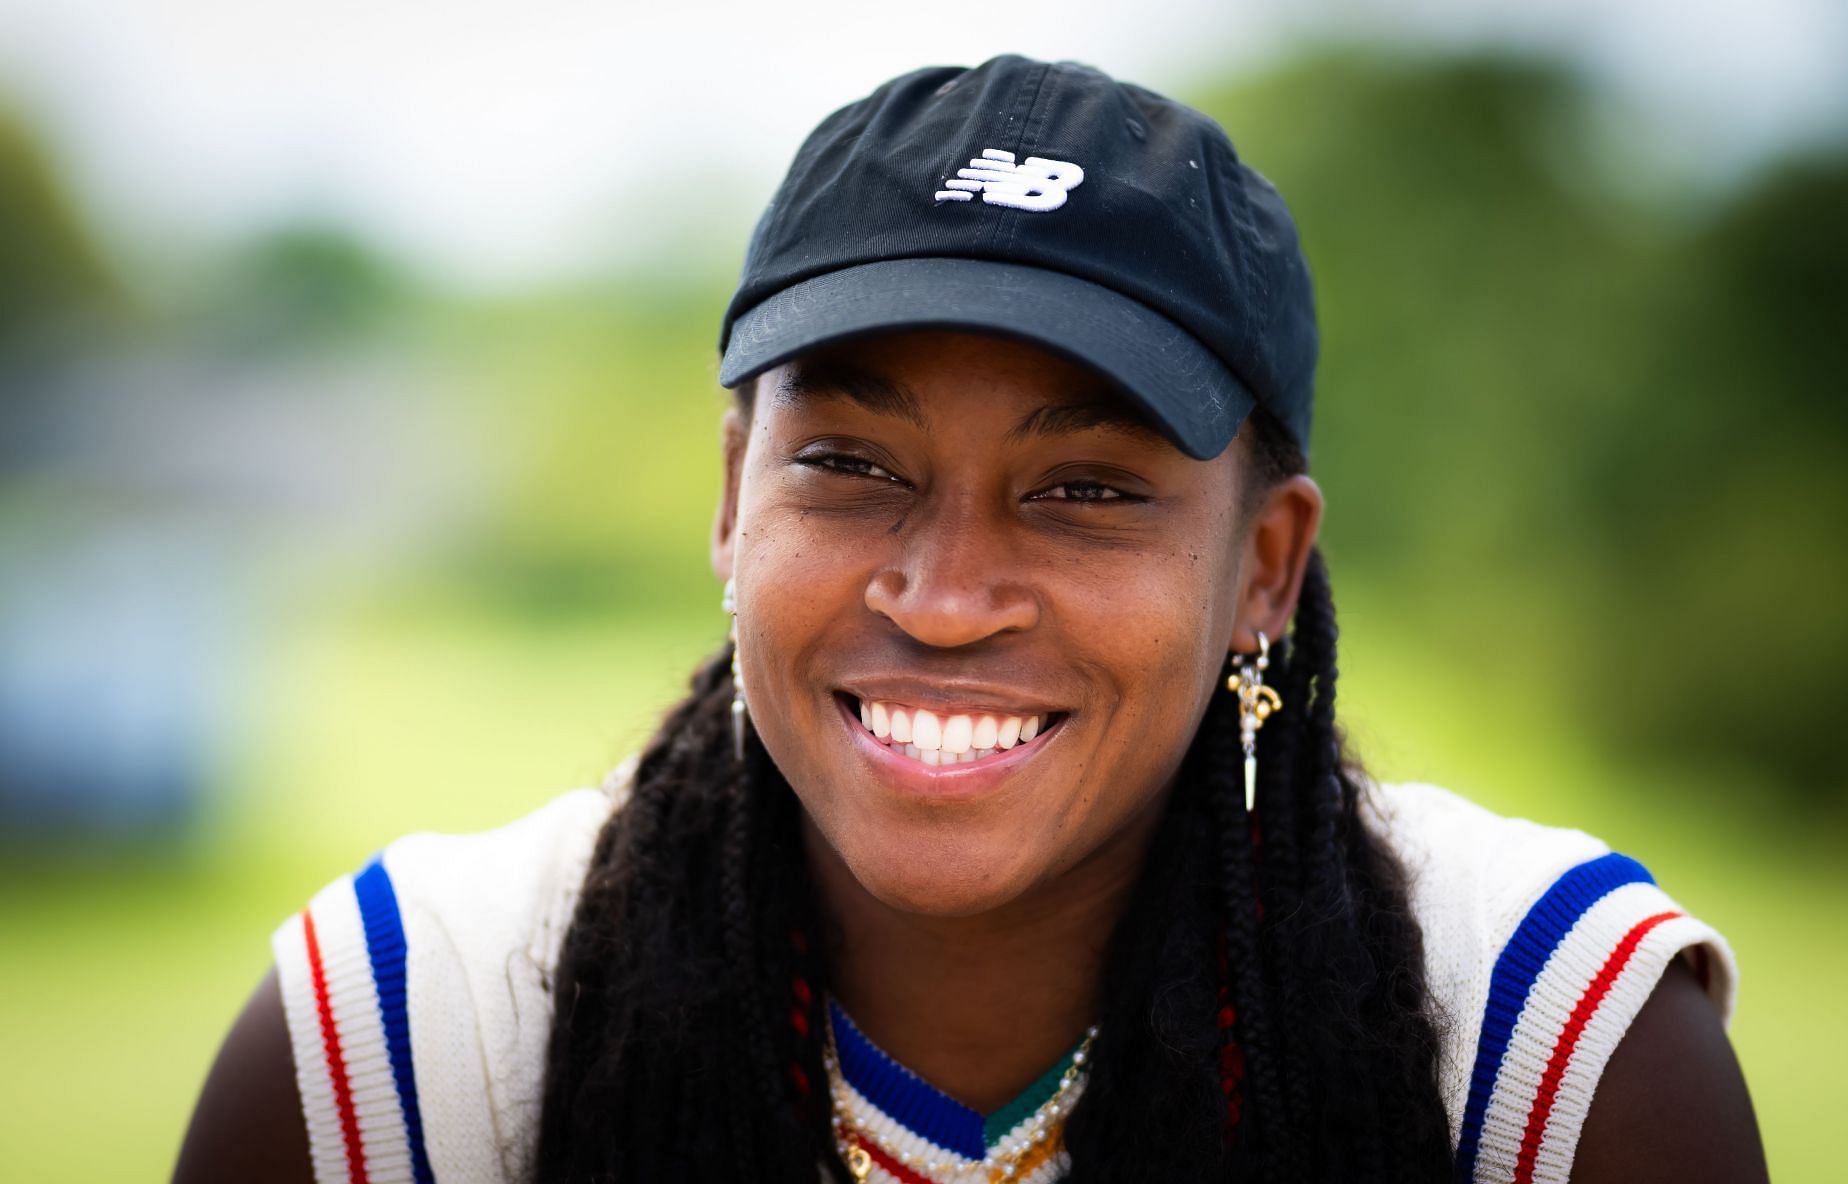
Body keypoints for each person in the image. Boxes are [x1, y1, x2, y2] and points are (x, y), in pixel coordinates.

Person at [174, 55, 1766, 1184]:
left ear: (1265, 569)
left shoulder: (1543, 1049)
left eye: (1085, 490)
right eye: (854, 466)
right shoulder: (401, 1049)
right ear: (737, 496)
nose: (942, 599)